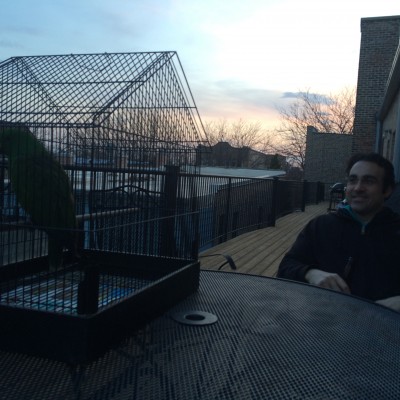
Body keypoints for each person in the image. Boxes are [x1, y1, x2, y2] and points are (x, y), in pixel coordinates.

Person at [277, 152, 400, 312]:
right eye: (353, 180)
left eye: (369, 181)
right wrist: (311, 273)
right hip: (325, 322)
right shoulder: (321, 226)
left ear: (387, 190)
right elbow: (286, 267)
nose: (358, 188)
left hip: (385, 326)